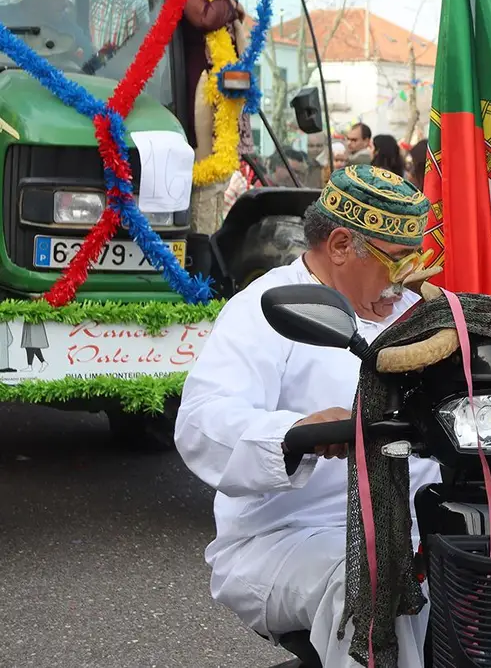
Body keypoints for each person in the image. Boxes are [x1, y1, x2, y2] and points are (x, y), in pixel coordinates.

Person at [175, 166, 441, 668]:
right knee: (375, 578)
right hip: (287, 535)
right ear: (340, 246)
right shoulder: (264, 308)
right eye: (399, 262)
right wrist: (298, 433)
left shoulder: (419, 311)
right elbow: (200, 424)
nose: (411, 279)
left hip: (422, 524)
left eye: (418, 261)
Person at [179, 0, 250, 154]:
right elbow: (206, 17)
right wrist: (231, 2)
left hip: (227, 88)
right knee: (206, 157)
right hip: (201, 88)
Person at [0, 0, 95, 70]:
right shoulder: (3, 18)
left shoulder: (68, 29)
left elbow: (96, 58)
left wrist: (75, 57)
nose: (65, 4)